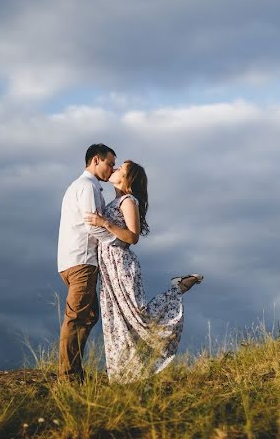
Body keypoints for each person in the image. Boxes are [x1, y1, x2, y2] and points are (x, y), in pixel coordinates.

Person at [84, 159, 203, 382]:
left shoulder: (129, 201)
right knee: (116, 320)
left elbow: (133, 237)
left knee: (139, 316)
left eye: (121, 169)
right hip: (108, 267)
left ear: (127, 179)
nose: (115, 168)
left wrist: (104, 223)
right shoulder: (115, 201)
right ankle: (122, 375)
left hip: (121, 265)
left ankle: (177, 289)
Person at [56, 143, 118, 381]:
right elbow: (93, 225)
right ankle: (68, 376)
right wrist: (118, 241)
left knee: (90, 315)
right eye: (109, 163)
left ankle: (74, 369)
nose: (111, 169)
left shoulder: (80, 186)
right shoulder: (88, 187)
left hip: (73, 259)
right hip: (82, 260)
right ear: (95, 160)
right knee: (76, 318)